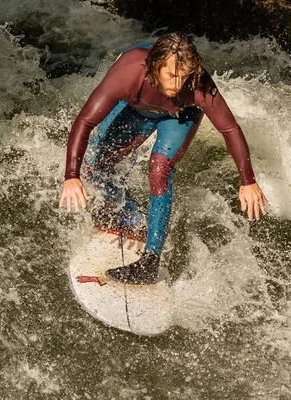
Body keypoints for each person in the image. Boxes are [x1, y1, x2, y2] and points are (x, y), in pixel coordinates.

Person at [59, 32, 268, 284]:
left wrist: (248, 181)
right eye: (171, 75)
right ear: (154, 65)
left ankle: (150, 261)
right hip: (137, 109)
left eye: (185, 76)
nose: (178, 84)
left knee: (159, 168)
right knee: (97, 163)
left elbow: (229, 129)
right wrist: (71, 176)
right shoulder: (128, 71)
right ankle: (133, 218)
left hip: (179, 117)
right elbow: (85, 121)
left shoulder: (198, 83)